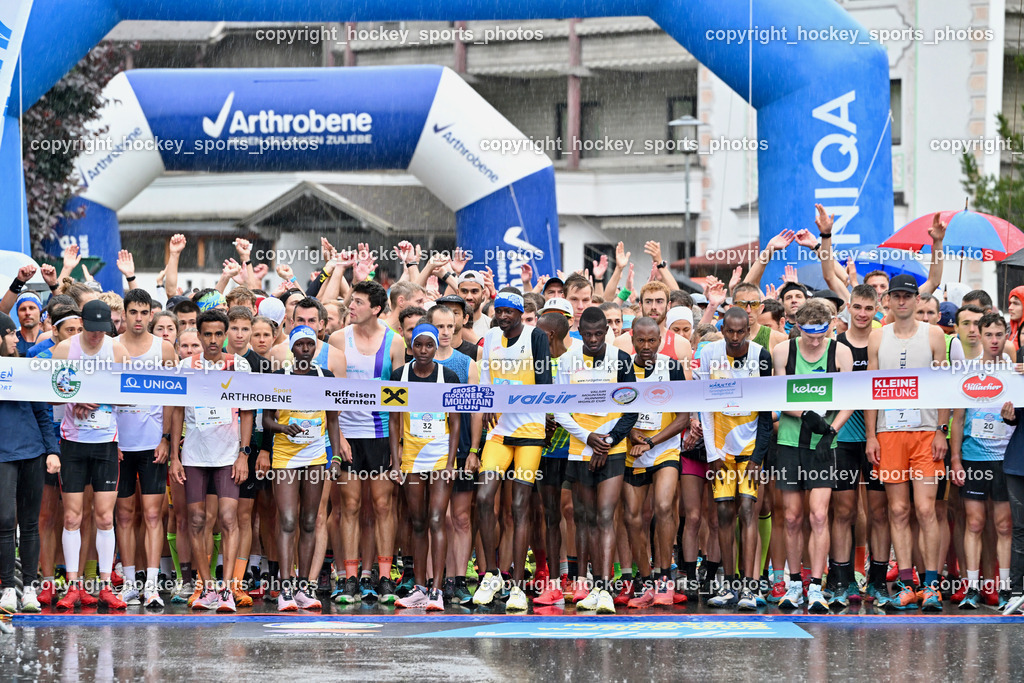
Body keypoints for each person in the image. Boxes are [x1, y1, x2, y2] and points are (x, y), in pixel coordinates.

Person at [866, 274, 949, 611]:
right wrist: (871, 434)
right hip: (889, 433)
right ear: (888, 301)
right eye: (896, 296)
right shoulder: (876, 337)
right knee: (898, 510)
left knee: (926, 509)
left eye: (907, 296)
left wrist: (942, 428)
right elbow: (870, 389)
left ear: (917, 300)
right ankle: (905, 583)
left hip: (926, 431)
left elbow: (945, 384)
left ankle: (931, 585)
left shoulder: (934, 334)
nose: (901, 301)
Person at [168, 309, 254, 612]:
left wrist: (244, 454)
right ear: (199, 334)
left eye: (219, 333)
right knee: (196, 519)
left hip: (228, 453)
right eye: (207, 334)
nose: (213, 340)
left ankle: (229, 589)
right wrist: (175, 457)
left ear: (226, 334)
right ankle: (206, 589)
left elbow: (248, 412)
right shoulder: (185, 366)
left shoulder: (238, 365)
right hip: (194, 453)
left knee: (229, 519)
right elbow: (177, 411)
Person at [554, 307, 637, 615]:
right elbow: (559, 408)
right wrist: (588, 439)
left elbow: (632, 409)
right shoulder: (566, 361)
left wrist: (608, 442)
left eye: (597, 334)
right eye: (586, 334)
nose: (591, 339)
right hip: (580, 448)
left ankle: (604, 588)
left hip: (612, 449)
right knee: (585, 517)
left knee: (605, 515)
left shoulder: (621, 359)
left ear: (606, 331)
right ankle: (586, 586)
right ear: (578, 331)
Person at [771, 300, 854, 612]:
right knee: (791, 517)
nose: (816, 341)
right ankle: (794, 583)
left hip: (824, 443)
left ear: (830, 327)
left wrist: (831, 430)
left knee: (819, 515)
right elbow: (776, 396)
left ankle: (816, 586)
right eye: (809, 335)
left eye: (821, 335)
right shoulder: (784, 351)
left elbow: (852, 397)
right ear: (797, 327)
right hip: (791, 441)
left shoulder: (839, 352)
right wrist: (804, 412)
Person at [472, 292, 553, 608]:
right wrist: (491, 399)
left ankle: (518, 584)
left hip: (530, 431)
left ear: (521, 313)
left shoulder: (536, 338)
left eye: (509, 312)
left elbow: (545, 384)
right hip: (499, 432)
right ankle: (491, 574)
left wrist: (508, 397)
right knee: (483, 498)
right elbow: (486, 381)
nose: (503, 316)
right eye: (499, 311)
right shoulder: (490, 337)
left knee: (519, 506)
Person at [327, 281, 405, 603]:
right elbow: (330, 396)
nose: (351, 307)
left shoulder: (395, 342)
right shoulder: (337, 339)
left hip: (381, 433)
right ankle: (350, 577)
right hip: (347, 433)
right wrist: (339, 438)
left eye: (358, 302)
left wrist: (397, 450)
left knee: (383, 506)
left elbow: (400, 402)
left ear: (376, 308)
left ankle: (383, 577)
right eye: (351, 301)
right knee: (350, 506)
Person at [53, 300, 132, 611]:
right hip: (72, 442)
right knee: (72, 517)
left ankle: (104, 585)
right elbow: (53, 392)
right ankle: (73, 586)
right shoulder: (64, 349)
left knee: (103, 516)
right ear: (82, 323)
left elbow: (127, 393)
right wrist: (75, 401)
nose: (98, 336)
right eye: (92, 330)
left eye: (103, 330)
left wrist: (97, 401)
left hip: (104, 442)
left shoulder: (116, 350)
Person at [260, 325, 346, 611]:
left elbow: (332, 420)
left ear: (316, 348)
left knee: (310, 521)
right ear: (292, 348)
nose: (306, 349)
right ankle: (285, 588)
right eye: (301, 345)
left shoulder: (326, 376)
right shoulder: (278, 377)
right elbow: (266, 422)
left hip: (316, 456)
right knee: (287, 520)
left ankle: (303, 588)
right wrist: (284, 427)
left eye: (311, 344)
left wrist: (335, 457)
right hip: (285, 454)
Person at [696, 308, 773, 610]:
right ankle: (729, 585)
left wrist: (757, 457)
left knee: (747, 509)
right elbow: (703, 405)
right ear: (723, 329)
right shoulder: (708, 353)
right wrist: (712, 454)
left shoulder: (760, 356)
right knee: (724, 514)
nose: (736, 337)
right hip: (720, 447)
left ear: (749, 330)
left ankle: (749, 588)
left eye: (741, 332)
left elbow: (766, 413)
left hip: (751, 445)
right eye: (730, 331)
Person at [390, 324, 462, 610]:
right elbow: (394, 421)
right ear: (411, 347)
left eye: (428, 346)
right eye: (418, 345)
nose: (423, 351)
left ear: (436, 348)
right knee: (417, 521)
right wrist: (395, 463)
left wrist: (450, 462)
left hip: (440, 454)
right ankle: (419, 588)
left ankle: (437, 589)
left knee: (436, 518)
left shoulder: (449, 376)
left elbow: (456, 422)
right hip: (411, 456)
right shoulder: (401, 376)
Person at [114, 288, 178, 608]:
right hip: (119, 446)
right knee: (124, 515)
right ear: (124, 314)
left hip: (153, 444)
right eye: (133, 312)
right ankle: (128, 582)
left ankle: (151, 585)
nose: (138, 319)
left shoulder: (164, 349)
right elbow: (105, 396)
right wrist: (110, 438)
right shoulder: (111, 348)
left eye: (144, 313)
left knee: (153, 514)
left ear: (151, 314)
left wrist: (166, 438)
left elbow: (174, 398)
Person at [621, 317, 688, 608]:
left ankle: (664, 577)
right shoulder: (622, 368)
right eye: (641, 341)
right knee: (633, 517)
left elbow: (684, 417)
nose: (646, 347)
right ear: (632, 339)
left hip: (663, 449)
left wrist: (651, 441)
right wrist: (632, 433)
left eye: (652, 341)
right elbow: (615, 410)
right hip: (630, 448)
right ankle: (646, 580)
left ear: (660, 340)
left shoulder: (671, 367)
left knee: (663, 506)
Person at [951, 312, 1014, 609]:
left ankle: (1005, 588)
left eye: (999, 335)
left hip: (1005, 458)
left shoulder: (1015, 372)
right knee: (974, 523)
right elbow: (958, 419)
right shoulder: (967, 370)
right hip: (973, 457)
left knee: (1003, 525)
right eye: (989, 334)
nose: (994, 340)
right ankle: (972, 587)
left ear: (1006, 336)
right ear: (980, 335)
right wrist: (955, 459)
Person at [832, 285, 890, 607]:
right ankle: (842, 580)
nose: (863, 314)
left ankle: (878, 582)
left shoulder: (885, 343)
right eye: (857, 307)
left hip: (879, 438)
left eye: (869, 308)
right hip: (843, 441)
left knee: (879, 513)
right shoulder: (835, 345)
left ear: (878, 307)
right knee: (844, 512)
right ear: (848, 308)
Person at [0, 312, 61, 613]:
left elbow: (42, 411)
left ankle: (29, 590)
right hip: (3, 455)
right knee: (4, 522)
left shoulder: (25, 367)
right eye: (10, 333)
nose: (16, 338)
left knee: (30, 523)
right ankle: (7, 588)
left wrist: (52, 450)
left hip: (33, 452)